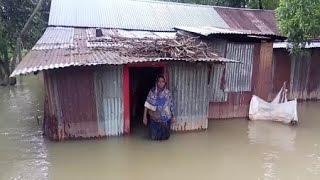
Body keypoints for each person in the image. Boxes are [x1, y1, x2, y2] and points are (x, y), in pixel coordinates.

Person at [143, 75, 176, 140]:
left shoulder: (167, 93)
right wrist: (144, 117)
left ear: (164, 83)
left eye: (162, 82)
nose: (161, 83)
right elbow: (147, 104)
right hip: (154, 119)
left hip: (166, 119)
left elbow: (171, 105)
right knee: (153, 137)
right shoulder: (152, 92)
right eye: (159, 81)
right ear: (156, 82)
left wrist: (173, 116)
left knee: (165, 138)